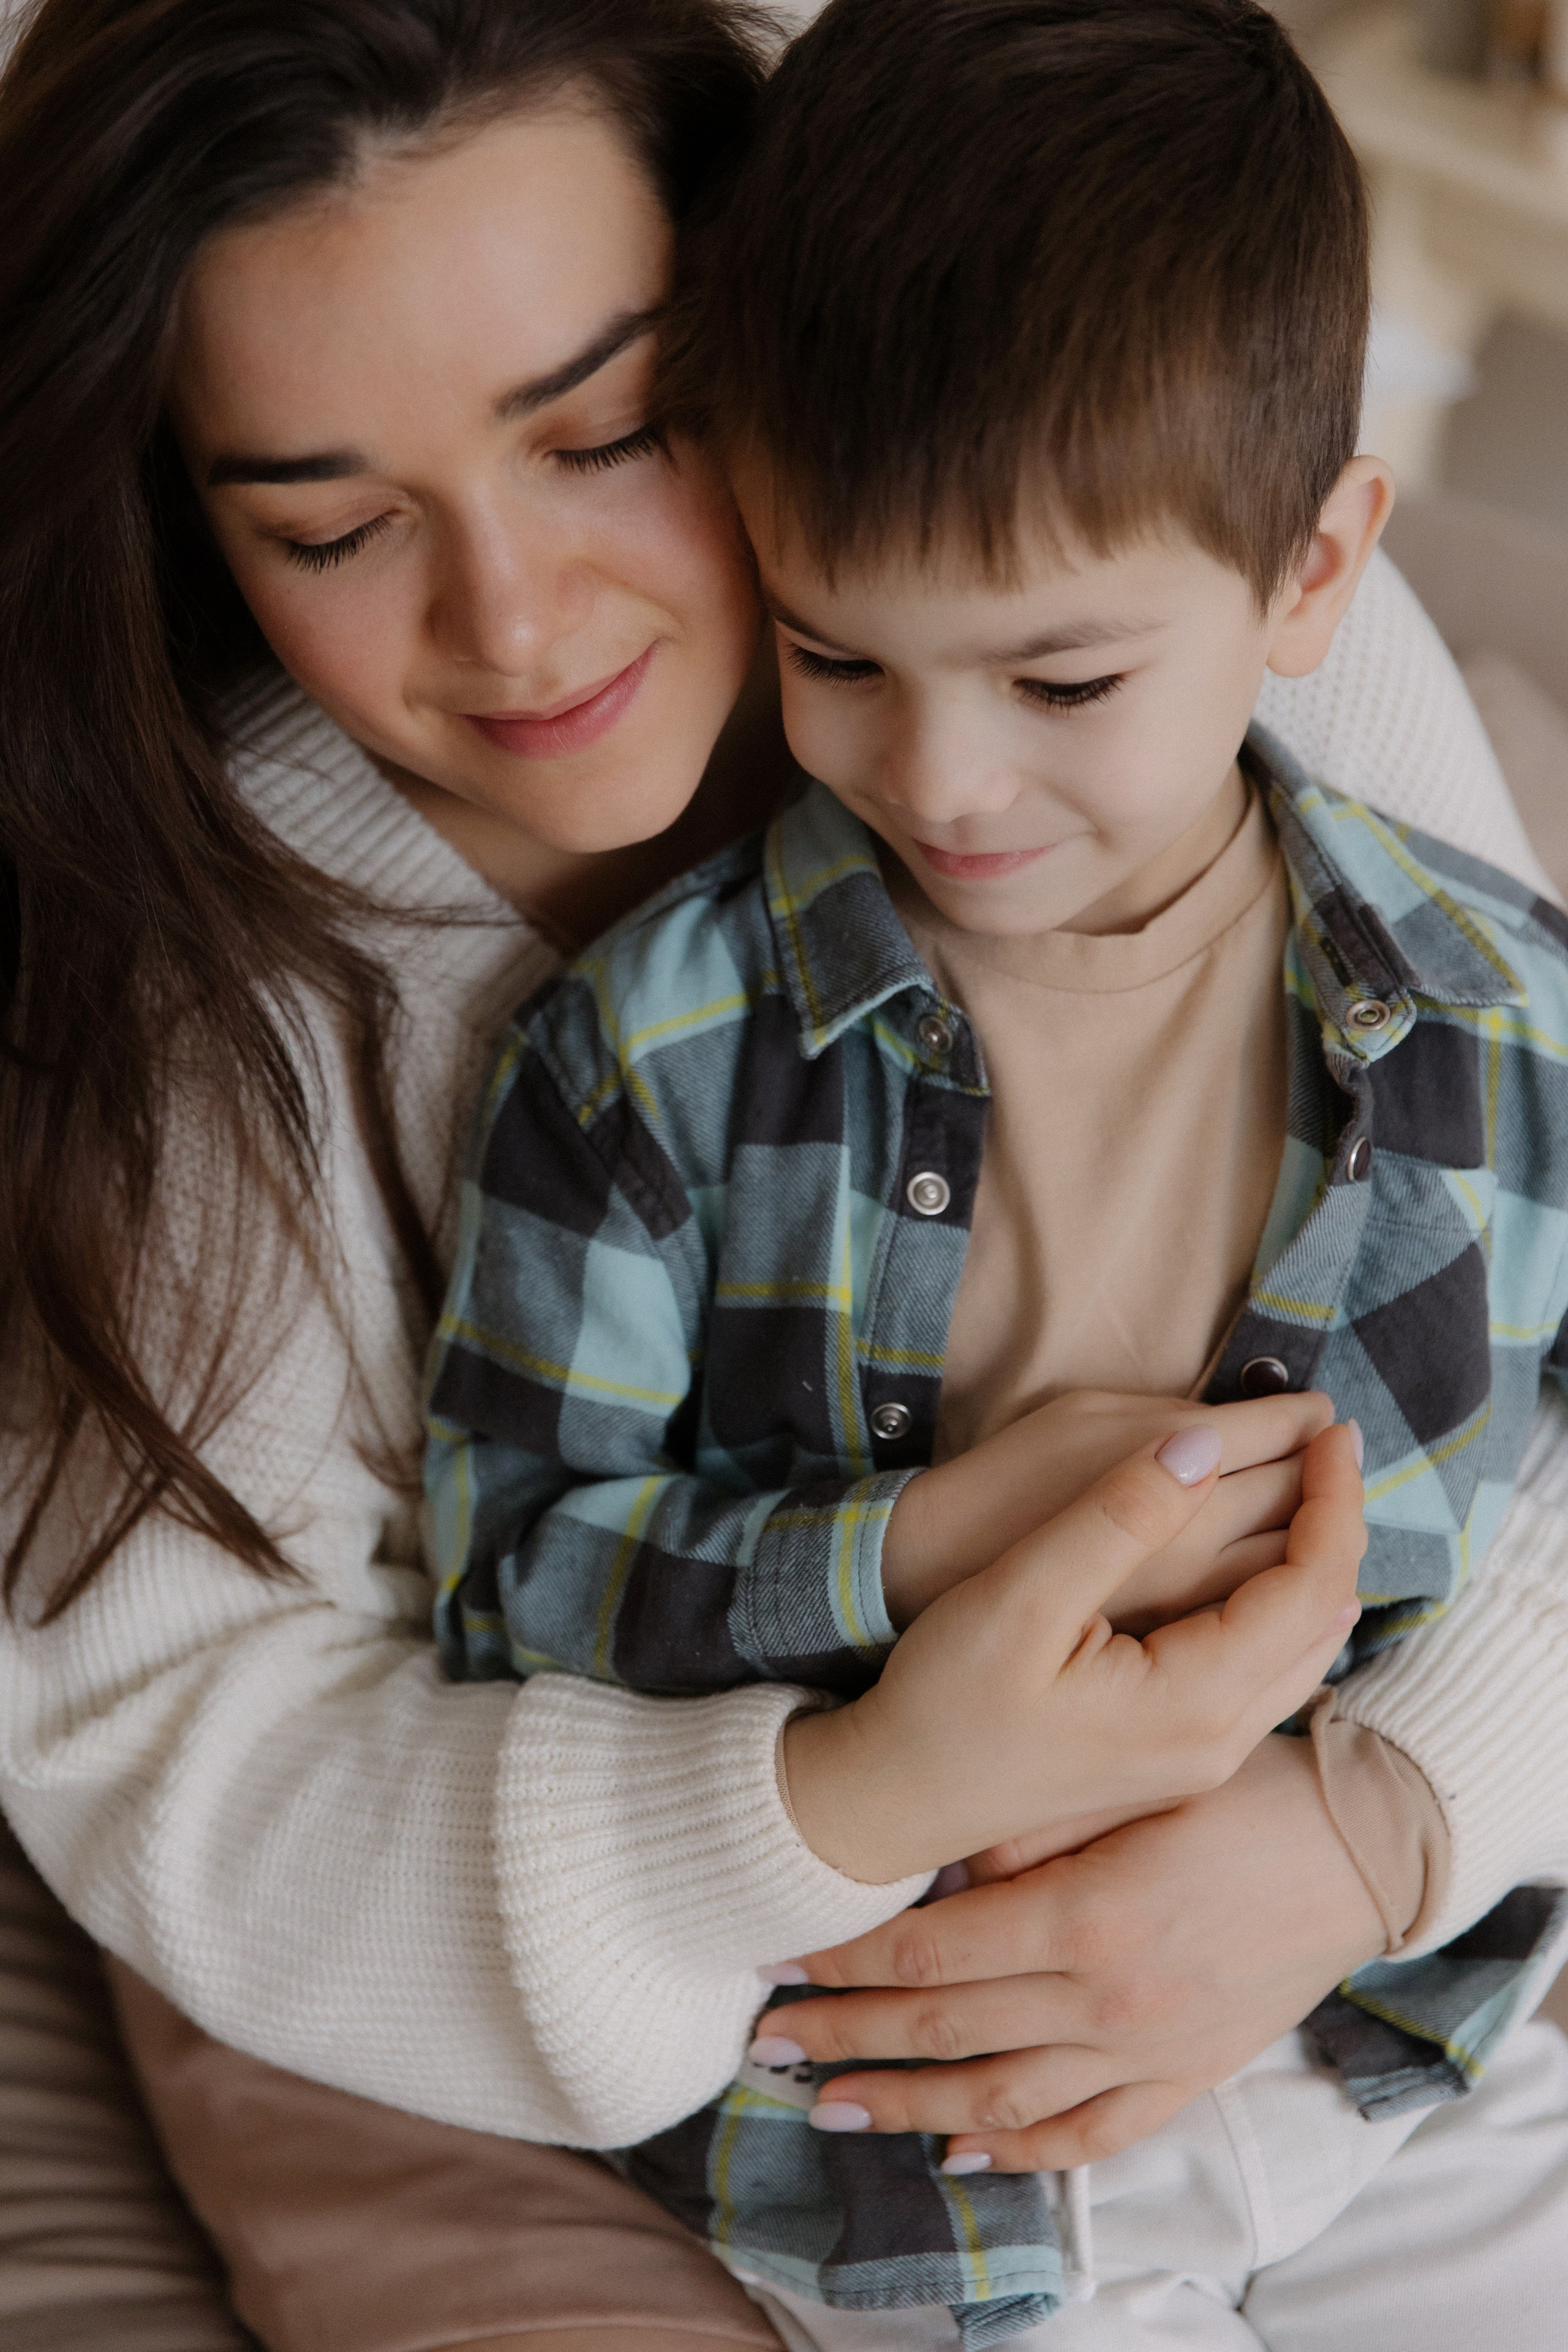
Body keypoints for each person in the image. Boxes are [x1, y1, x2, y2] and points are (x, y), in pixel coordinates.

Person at [0, 2, 1561, 2350]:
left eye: (611, 430)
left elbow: (1509, 1266)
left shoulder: (1149, 569)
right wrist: (840, 1793)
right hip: (493, 1942)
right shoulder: (238, 1011)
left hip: (1323, 1906)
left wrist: (1384, 1822)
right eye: (330, 525)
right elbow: (196, 1758)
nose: (514, 627)